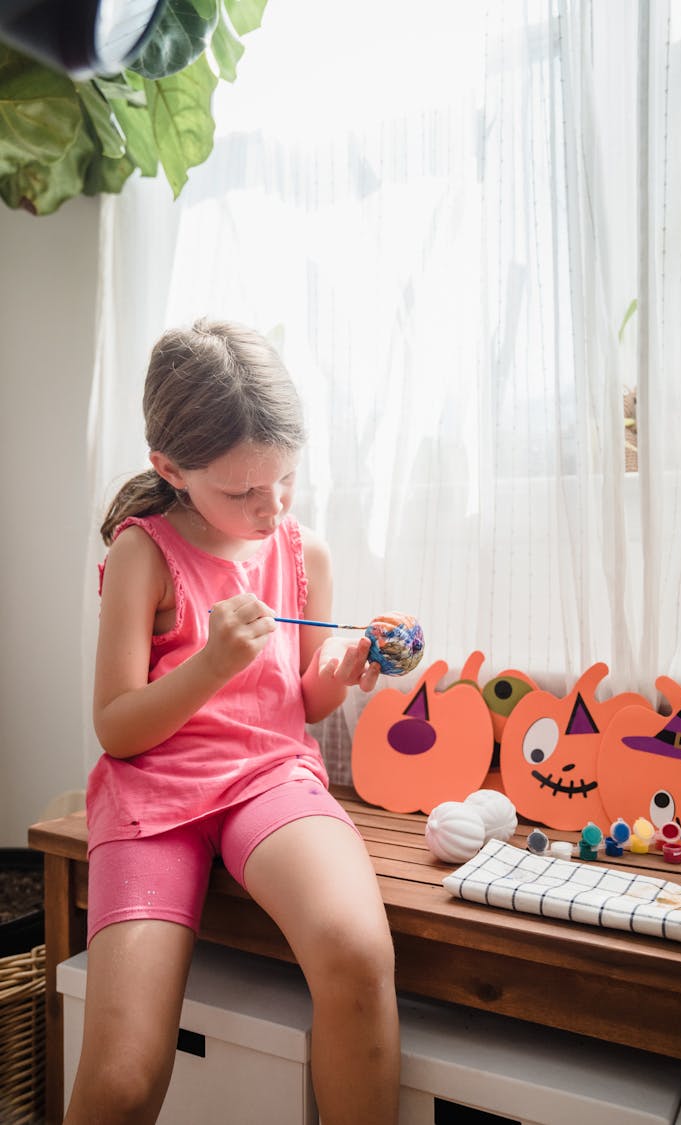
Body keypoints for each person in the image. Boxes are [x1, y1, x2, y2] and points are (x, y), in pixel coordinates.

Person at [65, 320, 400, 1125]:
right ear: (170, 469)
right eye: (242, 490)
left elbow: (301, 700)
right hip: (153, 798)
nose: (270, 505)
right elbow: (116, 727)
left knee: (357, 952)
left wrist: (345, 672)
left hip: (269, 779)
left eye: (284, 480)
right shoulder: (143, 554)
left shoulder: (300, 550)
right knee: (120, 1079)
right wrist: (210, 663)